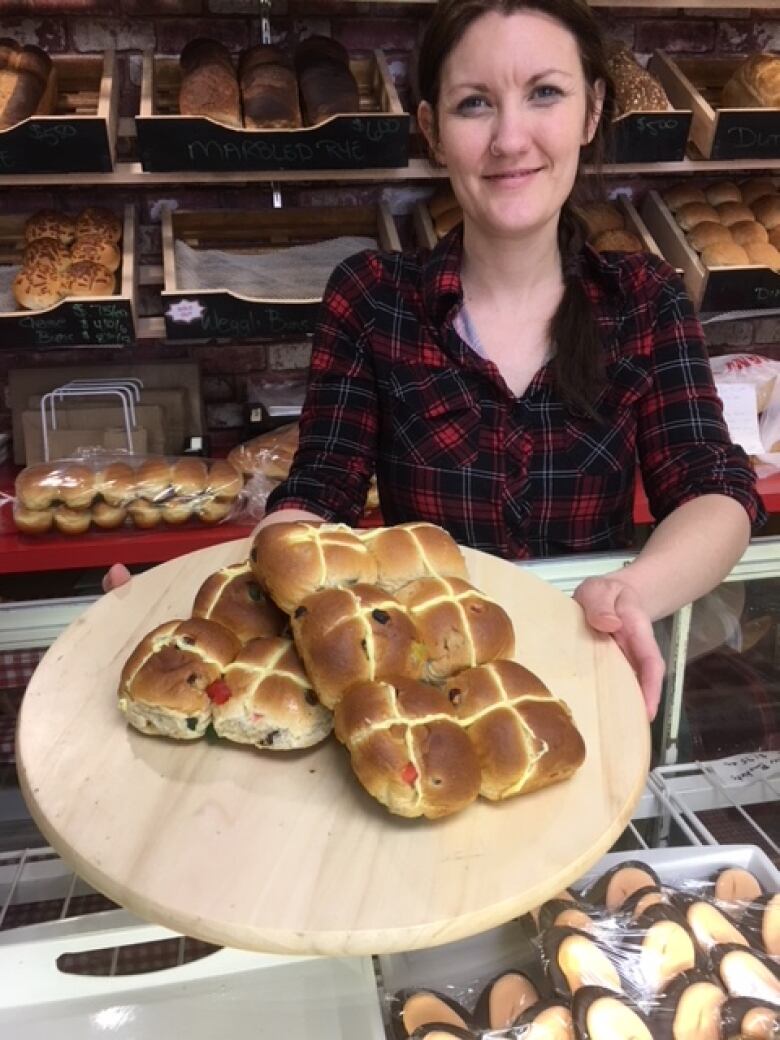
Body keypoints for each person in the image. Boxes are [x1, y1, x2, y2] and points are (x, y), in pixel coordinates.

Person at [107, 0, 764, 722]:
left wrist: (633, 588)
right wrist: (207, 612)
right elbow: (319, 496)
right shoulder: (374, 299)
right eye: (475, 104)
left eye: (545, 93)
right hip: (422, 700)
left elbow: (713, 489)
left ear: (590, 112)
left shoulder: (646, 301)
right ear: (432, 131)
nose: (511, 138)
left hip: (584, 670)